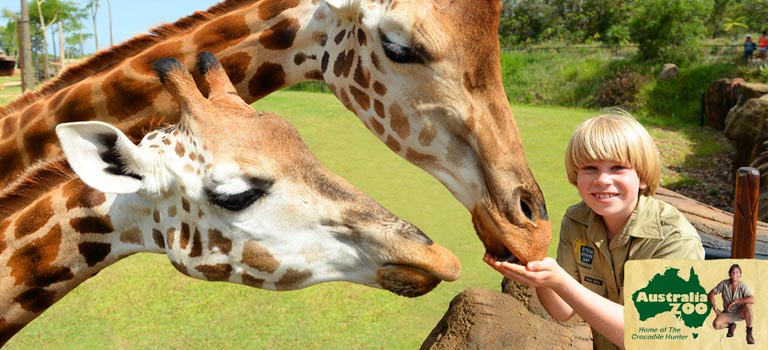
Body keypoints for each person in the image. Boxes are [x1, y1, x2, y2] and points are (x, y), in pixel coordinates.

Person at [484, 114, 705, 350]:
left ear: (642, 177)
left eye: (617, 168)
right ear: (576, 175)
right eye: (590, 168)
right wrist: (535, 266)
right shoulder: (577, 220)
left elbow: (651, 337)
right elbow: (562, 310)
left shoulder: (675, 239)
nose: (602, 180)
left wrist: (560, 280)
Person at [709, 264, 755, 345]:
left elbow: (752, 299)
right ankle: (730, 325)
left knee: (749, 305)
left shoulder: (743, 285)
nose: (735, 274)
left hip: (740, 312)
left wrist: (736, 301)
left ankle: (749, 333)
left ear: (740, 274)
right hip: (728, 313)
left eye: (737, 272)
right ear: (729, 274)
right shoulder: (724, 284)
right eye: (733, 272)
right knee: (716, 324)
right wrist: (715, 308)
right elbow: (711, 294)